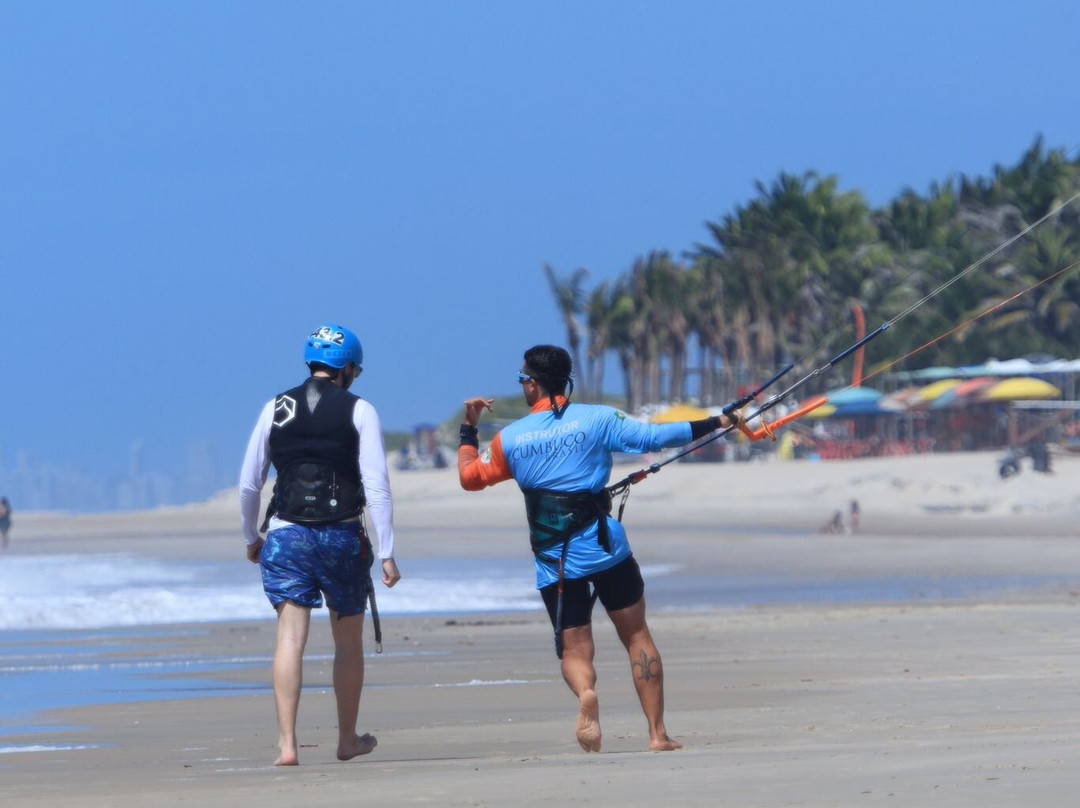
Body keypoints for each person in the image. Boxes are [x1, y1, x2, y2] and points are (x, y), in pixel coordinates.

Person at [457, 345, 739, 753]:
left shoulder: (511, 439)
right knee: (637, 634)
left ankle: (586, 691)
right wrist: (719, 420)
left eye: (522, 379)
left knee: (575, 648)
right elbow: (653, 437)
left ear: (533, 384)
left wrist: (469, 428)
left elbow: (470, 478)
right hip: (607, 550)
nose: (522, 386)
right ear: (565, 381)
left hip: (555, 561)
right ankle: (658, 734)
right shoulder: (597, 418)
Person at [239, 323, 401, 766]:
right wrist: (386, 552)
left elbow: (250, 483)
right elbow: (377, 485)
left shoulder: (276, 406)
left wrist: (251, 536)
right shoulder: (360, 410)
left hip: (286, 535)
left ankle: (287, 746)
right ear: (347, 369)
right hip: (341, 535)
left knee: (290, 639)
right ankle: (347, 739)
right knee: (347, 641)